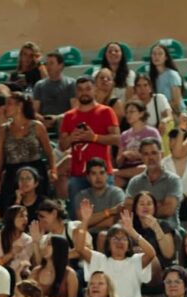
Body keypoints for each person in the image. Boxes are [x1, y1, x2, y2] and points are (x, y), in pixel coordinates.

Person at [74, 203, 157, 297]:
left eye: (123, 239)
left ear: (129, 245)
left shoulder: (135, 261)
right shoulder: (99, 259)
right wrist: (85, 220)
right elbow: (79, 248)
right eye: (115, 239)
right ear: (108, 245)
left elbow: (151, 253)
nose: (119, 242)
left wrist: (131, 231)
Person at [60, 76, 121, 214]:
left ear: (95, 90)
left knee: (108, 213)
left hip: (102, 173)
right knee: (77, 217)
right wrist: (71, 138)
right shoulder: (69, 116)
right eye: (80, 89)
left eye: (88, 89)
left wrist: (94, 137)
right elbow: (62, 146)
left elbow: (117, 139)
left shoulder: (106, 111)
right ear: (76, 92)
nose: (84, 92)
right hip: (77, 175)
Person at [0, 93, 54, 216]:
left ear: (20, 105)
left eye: (9, 104)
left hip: (36, 170)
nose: (5, 107)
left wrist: (53, 169)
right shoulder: (3, 129)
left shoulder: (37, 126)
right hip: (12, 172)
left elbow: (48, 151)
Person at [126, 138, 183, 227]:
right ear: (141, 157)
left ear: (161, 154)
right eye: (146, 154)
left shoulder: (173, 180)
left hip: (167, 229)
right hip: (141, 229)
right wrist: (158, 204)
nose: (150, 158)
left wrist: (140, 208)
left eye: (154, 153)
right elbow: (128, 209)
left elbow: (168, 210)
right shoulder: (135, 182)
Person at [32, 232, 79, 297]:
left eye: (49, 244)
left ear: (58, 248)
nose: (45, 247)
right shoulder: (36, 271)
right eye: (45, 244)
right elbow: (26, 293)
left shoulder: (69, 274)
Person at [115, 100, 161, 186]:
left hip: (144, 166)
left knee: (143, 169)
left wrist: (138, 155)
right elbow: (118, 161)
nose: (128, 115)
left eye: (132, 112)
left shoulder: (152, 132)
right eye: (127, 112)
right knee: (114, 180)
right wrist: (124, 155)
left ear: (141, 114)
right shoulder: (124, 135)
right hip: (127, 167)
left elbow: (159, 155)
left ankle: (116, 173)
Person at [74, 158, 125, 234]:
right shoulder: (81, 196)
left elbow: (114, 221)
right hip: (87, 236)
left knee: (102, 235)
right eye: (94, 173)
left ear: (107, 175)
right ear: (88, 177)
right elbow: (82, 222)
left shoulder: (117, 193)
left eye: (102, 173)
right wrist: (110, 211)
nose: (98, 177)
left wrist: (90, 223)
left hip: (110, 235)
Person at [32, 51, 77, 135]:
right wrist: (42, 119)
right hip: (44, 122)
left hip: (63, 121)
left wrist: (56, 118)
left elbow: (74, 109)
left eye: (51, 63)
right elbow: (34, 111)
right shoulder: (39, 85)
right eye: (47, 63)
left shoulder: (71, 84)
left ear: (60, 66)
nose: (48, 66)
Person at [147, 43, 183, 113]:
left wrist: (161, 109)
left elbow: (176, 102)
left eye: (160, 54)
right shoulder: (150, 76)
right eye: (154, 54)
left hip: (176, 112)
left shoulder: (172, 75)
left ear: (166, 57)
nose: (156, 56)